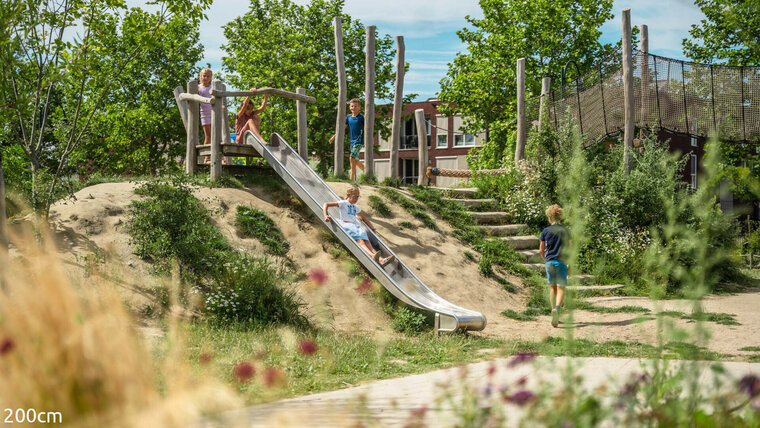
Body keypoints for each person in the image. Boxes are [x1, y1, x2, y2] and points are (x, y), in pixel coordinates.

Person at [323, 186, 394, 266]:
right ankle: (372, 256)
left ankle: (381, 260)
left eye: (357, 197)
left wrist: (372, 227)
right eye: (354, 197)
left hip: (356, 227)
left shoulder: (356, 207)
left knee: (368, 242)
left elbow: (364, 218)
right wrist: (325, 215)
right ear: (348, 195)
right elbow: (326, 204)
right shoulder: (343, 203)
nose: (356, 199)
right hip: (347, 225)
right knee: (361, 241)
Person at [539, 204, 570, 328]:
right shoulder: (566, 230)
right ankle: (557, 308)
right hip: (562, 262)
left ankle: (553, 312)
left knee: (553, 288)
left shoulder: (545, 231)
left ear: (549, 218)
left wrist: (546, 260)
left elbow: (541, 250)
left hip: (550, 262)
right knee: (561, 288)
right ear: (561, 217)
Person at [330, 98, 366, 181]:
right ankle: (365, 171)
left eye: (356, 106)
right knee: (355, 160)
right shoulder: (348, 117)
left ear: (359, 107)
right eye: (352, 106)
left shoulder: (361, 118)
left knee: (351, 157)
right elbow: (342, 128)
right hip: (352, 141)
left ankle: (351, 178)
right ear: (350, 107)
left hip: (359, 141)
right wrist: (334, 136)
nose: (354, 108)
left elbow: (367, 128)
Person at [198, 68, 228, 164]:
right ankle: (206, 157)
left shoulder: (212, 88)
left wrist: (221, 105)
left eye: (208, 76)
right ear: (201, 77)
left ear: (211, 77)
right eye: (204, 76)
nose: (205, 78)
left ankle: (219, 156)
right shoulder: (198, 88)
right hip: (204, 114)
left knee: (217, 135)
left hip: (214, 112)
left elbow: (219, 98)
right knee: (208, 136)